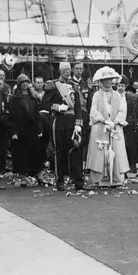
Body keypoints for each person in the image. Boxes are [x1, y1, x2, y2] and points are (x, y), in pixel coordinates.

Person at [41, 62, 85, 191]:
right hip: (59, 120)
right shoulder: (53, 85)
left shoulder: (74, 86)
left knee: (76, 149)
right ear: (59, 71)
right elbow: (44, 104)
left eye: (69, 69)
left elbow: (78, 106)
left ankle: (78, 181)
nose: (67, 72)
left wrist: (78, 123)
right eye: (65, 70)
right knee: (59, 151)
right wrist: (57, 107)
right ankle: (59, 181)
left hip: (72, 120)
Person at [86, 67, 129, 187]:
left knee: (116, 151)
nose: (108, 82)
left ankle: (115, 178)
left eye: (110, 79)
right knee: (100, 152)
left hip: (114, 127)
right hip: (101, 126)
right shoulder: (96, 95)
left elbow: (122, 110)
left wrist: (114, 122)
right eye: (105, 79)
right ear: (101, 81)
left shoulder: (117, 95)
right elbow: (93, 111)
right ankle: (99, 179)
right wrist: (104, 121)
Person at [9, 74, 46, 177]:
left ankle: (33, 171)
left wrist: (39, 128)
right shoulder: (15, 99)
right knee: (22, 151)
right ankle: (22, 171)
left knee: (34, 150)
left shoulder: (33, 97)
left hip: (32, 128)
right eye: (23, 82)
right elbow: (12, 116)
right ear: (19, 84)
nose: (25, 84)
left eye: (26, 82)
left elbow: (37, 114)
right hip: (21, 128)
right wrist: (14, 131)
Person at [117, 76, 138, 175]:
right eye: (118, 85)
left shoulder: (130, 97)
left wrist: (132, 121)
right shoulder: (114, 97)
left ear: (125, 86)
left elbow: (133, 111)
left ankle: (132, 165)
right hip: (118, 124)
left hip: (129, 124)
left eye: (122, 85)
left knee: (131, 145)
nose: (120, 88)